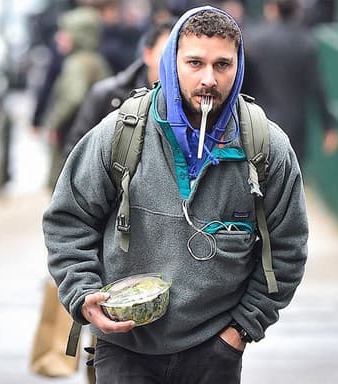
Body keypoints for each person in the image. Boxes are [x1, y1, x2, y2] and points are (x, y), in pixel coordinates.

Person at [43, 6, 308, 383]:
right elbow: (69, 220)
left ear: (239, 66)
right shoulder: (120, 133)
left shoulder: (266, 148)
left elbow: (288, 249)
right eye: (194, 63)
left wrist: (240, 332)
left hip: (214, 351)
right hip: (123, 346)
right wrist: (82, 293)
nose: (208, 79)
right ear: (171, 62)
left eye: (222, 65)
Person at [244, 0, 338, 168]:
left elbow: (244, 83)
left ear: (271, 9)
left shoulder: (254, 40)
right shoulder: (306, 42)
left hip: (258, 122)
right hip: (294, 128)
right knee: (291, 181)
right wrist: (328, 126)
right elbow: (317, 87)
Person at [64, 18, 174, 154]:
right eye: (166, 55)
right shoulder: (107, 94)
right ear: (148, 54)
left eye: (178, 57)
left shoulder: (190, 104)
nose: (172, 64)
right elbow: (76, 152)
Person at [39, 5, 112, 189]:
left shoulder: (75, 63)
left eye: (64, 32)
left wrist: (53, 122)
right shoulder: (97, 60)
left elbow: (74, 97)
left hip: (71, 136)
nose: (59, 38)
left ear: (78, 35)